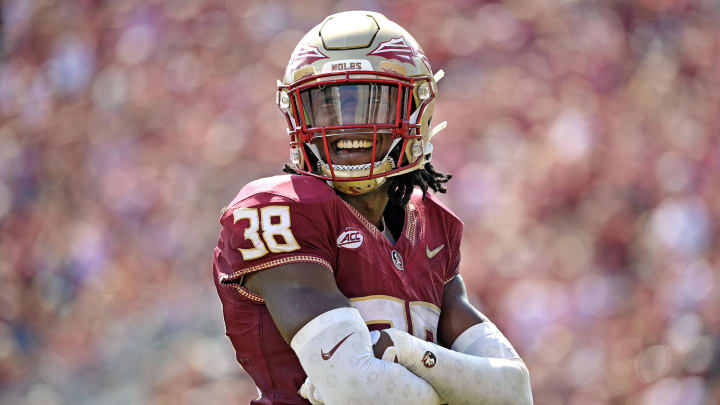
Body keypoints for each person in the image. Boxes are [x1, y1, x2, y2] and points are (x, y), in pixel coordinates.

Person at [213, 10, 533, 405]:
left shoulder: (433, 226)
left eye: (370, 103)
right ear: (297, 112)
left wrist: (410, 351)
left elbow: (514, 392)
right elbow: (357, 391)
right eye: (327, 105)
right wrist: (457, 390)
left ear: (416, 110)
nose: (347, 125)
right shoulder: (280, 209)